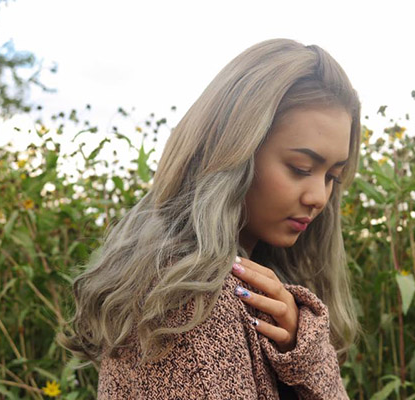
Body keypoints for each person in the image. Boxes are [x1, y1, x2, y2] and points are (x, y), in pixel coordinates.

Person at [57, 38, 361, 399]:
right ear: (235, 152)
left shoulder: (249, 290)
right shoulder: (192, 301)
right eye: (301, 168)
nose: (319, 197)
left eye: (333, 177)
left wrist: (302, 347)